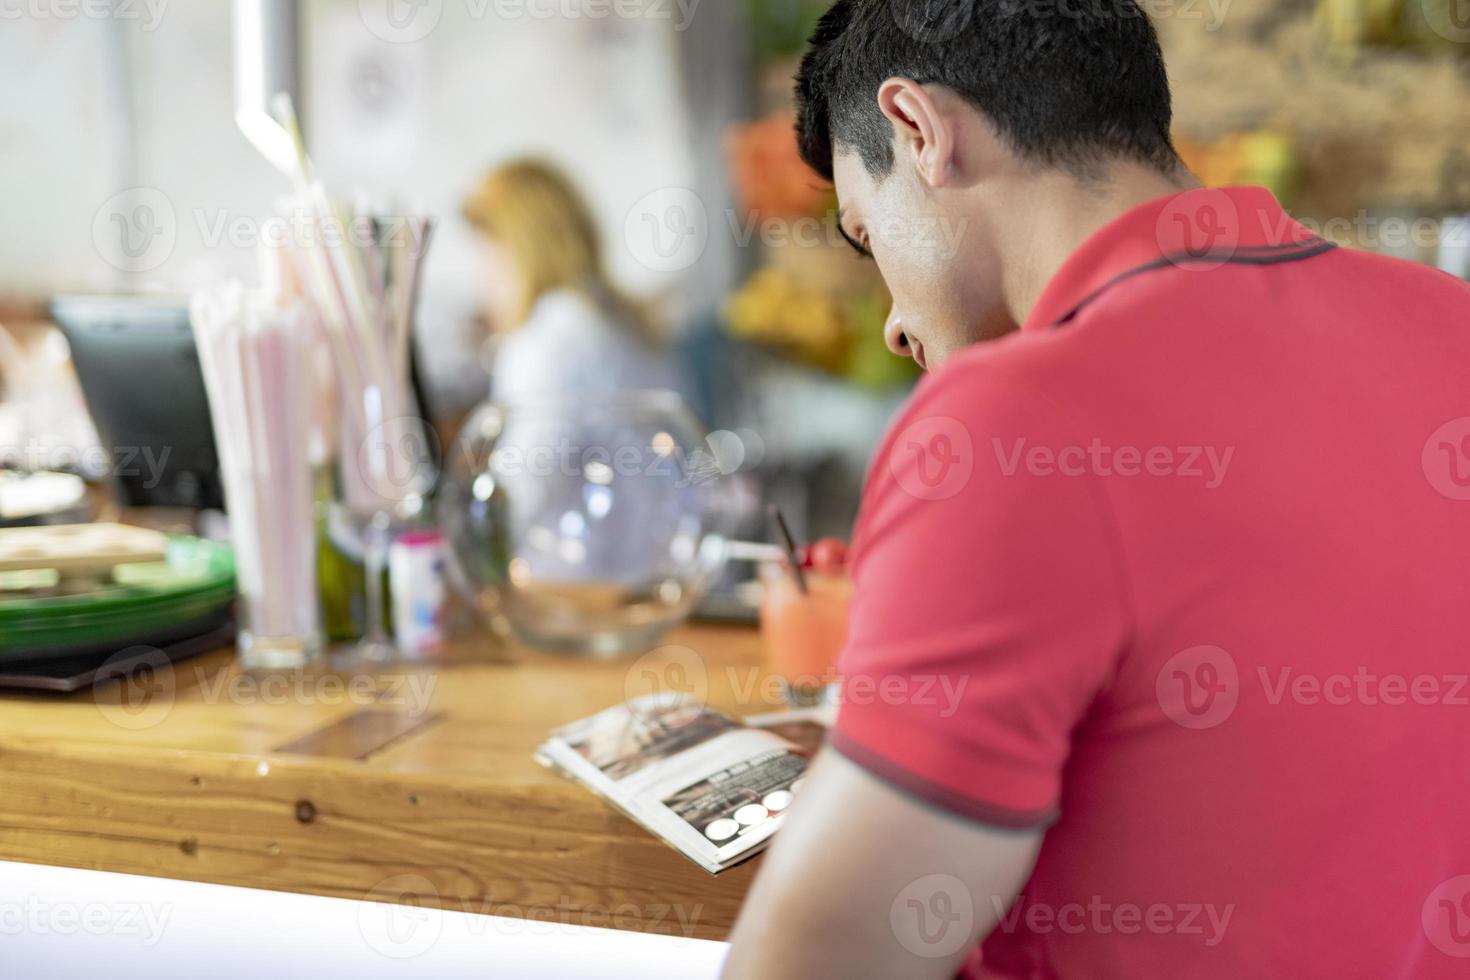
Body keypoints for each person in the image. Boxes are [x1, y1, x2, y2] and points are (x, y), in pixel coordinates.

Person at [722, 2, 1470, 979]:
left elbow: (813, 963)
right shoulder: (1446, 321)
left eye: (870, 238)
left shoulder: (1011, 425)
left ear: (918, 128)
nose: (894, 327)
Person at [462, 159, 678, 401]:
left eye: (482, 250)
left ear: (518, 250)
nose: (479, 273)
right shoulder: (614, 315)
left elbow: (529, 438)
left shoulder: (544, 343)